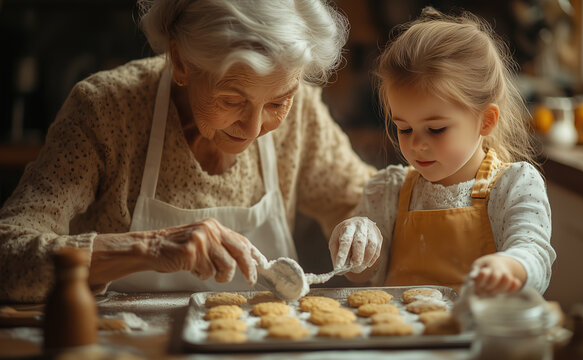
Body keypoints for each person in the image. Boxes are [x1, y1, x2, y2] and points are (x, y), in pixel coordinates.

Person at [0, 0, 375, 302]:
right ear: (181, 61)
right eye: (232, 99)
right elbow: (8, 253)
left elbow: (366, 201)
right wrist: (148, 247)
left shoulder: (303, 113)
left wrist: (366, 225)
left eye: (277, 103)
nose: (254, 128)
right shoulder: (106, 109)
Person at [328, 7, 556, 295]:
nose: (416, 144)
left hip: (477, 336)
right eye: (404, 128)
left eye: (436, 129)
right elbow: (360, 276)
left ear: (486, 120)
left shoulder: (514, 187)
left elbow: (534, 253)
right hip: (402, 335)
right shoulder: (387, 191)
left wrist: (511, 266)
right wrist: (355, 243)